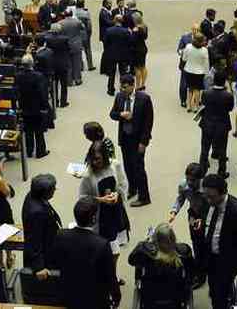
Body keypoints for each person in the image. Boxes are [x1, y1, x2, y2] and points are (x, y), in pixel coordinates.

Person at [201, 174, 237, 309]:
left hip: (227, 262)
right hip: (211, 259)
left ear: (223, 193)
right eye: (206, 196)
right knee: (214, 292)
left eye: (211, 197)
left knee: (223, 296)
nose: (208, 200)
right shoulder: (208, 202)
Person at [50, 197, 121, 309]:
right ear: (93, 219)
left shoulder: (61, 235)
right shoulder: (102, 244)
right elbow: (110, 276)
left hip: (68, 296)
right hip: (94, 300)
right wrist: (117, 297)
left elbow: (54, 262)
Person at [79, 141, 130, 285]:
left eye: (99, 159)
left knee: (115, 251)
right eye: (93, 159)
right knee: (101, 252)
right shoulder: (88, 175)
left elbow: (122, 184)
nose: (96, 162)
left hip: (115, 213)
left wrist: (118, 195)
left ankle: (111, 277)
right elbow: (82, 198)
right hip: (99, 218)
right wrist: (100, 199)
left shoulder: (114, 165)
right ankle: (105, 278)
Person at [110, 74, 154, 207]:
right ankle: (132, 188)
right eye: (121, 87)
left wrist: (144, 142)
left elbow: (148, 123)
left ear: (132, 85)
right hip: (125, 137)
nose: (122, 89)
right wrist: (120, 115)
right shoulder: (119, 97)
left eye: (125, 87)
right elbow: (112, 114)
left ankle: (144, 196)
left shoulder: (144, 99)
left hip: (138, 139)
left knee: (138, 167)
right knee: (128, 165)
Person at [128, 223, 195, 309]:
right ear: (173, 237)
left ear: (155, 239)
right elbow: (192, 274)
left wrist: (145, 243)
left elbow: (131, 261)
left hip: (150, 298)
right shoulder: (184, 251)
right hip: (176, 298)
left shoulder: (145, 252)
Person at [168, 163, 209, 289]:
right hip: (193, 215)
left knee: (206, 244)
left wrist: (204, 220)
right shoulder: (183, 185)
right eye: (188, 179)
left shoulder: (208, 187)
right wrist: (174, 211)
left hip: (207, 217)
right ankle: (200, 273)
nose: (189, 182)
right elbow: (181, 198)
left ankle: (205, 271)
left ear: (200, 179)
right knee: (196, 242)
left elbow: (214, 205)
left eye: (193, 180)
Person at [22, 174, 62, 280]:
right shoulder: (37, 213)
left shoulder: (32, 195)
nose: (55, 190)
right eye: (53, 189)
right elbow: (34, 239)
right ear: (45, 193)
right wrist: (39, 267)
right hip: (45, 251)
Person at [199, 71, 234, 178]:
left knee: (204, 147)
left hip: (207, 123)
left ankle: (202, 168)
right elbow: (230, 108)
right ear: (224, 82)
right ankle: (222, 171)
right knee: (222, 149)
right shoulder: (228, 96)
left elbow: (203, 104)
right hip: (222, 124)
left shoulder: (206, 93)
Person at [15, 55, 50, 158]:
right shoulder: (38, 76)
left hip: (24, 107)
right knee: (39, 131)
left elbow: (16, 92)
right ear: (32, 63)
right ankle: (40, 152)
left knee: (28, 131)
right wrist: (45, 106)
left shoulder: (18, 76)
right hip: (37, 107)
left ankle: (29, 151)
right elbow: (42, 93)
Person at [102, 15, 132, 96]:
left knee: (111, 73)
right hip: (123, 55)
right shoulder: (126, 31)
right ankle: (123, 90)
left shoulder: (108, 30)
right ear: (122, 21)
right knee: (123, 74)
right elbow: (129, 44)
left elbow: (105, 43)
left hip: (112, 55)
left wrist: (108, 52)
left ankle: (110, 90)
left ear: (114, 21)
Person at [181, 33, 210, 113]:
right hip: (199, 72)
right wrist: (207, 73)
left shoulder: (188, 47)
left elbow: (184, 58)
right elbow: (206, 63)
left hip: (189, 70)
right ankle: (196, 107)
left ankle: (189, 106)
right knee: (197, 89)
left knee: (190, 88)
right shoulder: (204, 50)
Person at [44, 23, 71, 107]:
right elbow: (69, 49)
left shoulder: (47, 39)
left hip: (52, 64)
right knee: (63, 84)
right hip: (63, 64)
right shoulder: (65, 39)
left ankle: (55, 101)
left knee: (54, 84)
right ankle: (63, 102)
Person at [59, 10, 85, 86]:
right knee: (77, 63)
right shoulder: (77, 22)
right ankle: (77, 80)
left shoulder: (61, 23)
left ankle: (69, 81)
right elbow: (83, 28)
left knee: (68, 64)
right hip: (76, 44)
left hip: (66, 45)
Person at [74, 0, 95, 71]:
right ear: (83, 4)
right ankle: (90, 65)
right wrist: (89, 33)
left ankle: (80, 66)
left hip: (76, 34)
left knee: (79, 50)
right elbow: (89, 25)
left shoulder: (74, 12)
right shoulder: (86, 13)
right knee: (88, 50)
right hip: (85, 33)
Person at [130, 13, 149, 91]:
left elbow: (132, 41)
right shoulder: (145, 27)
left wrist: (131, 33)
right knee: (143, 67)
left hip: (136, 50)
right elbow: (145, 37)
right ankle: (143, 84)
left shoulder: (135, 30)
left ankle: (137, 86)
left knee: (137, 69)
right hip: (143, 48)